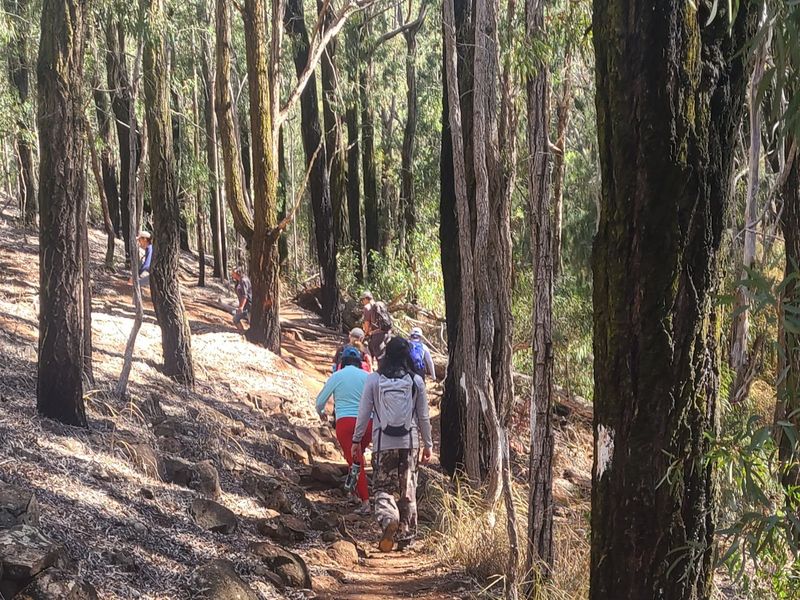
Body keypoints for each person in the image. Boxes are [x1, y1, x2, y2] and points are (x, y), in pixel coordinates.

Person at [352, 337, 432, 552]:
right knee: (408, 488)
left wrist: (356, 439)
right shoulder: (416, 381)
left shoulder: (374, 380)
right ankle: (405, 538)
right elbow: (423, 417)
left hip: (382, 443)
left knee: (382, 488)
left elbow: (364, 412)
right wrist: (428, 444)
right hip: (409, 443)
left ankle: (389, 519)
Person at [315, 347, 372, 514]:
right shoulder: (368, 377)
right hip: (368, 422)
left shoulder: (337, 376)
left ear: (342, 361)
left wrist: (323, 414)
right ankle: (354, 493)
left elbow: (319, 402)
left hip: (345, 423)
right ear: (359, 362)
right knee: (357, 458)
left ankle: (365, 502)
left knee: (355, 460)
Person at [360, 291, 393, 368]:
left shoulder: (367, 307)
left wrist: (366, 333)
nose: (362, 302)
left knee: (379, 357)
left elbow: (367, 323)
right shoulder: (380, 305)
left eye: (362, 300)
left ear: (366, 299)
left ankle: (377, 374)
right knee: (377, 353)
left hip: (377, 335)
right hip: (387, 333)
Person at [231, 266, 252, 332]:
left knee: (250, 321)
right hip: (246, 306)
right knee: (236, 319)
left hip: (249, 305)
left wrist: (241, 307)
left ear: (238, 272)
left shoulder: (243, 280)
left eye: (233, 272)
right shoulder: (239, 281)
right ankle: (243, 332)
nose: (232, 273)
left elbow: (245, 295)